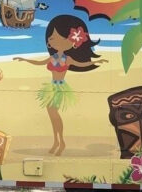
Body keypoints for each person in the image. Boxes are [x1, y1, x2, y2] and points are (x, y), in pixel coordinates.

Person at [13, 14, 106, 156]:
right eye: (50, 38)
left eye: (55, 37)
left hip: (60, 88)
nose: (51, 40)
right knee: (52, 114)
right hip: (51, 87)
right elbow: (38, 62)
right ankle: (57, 141)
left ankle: (61, 141)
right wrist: (24, 59)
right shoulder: (53, 57)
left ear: (71, 41)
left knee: (54, 114)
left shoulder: (67, 59)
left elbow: (81, 63)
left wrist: (95, 62)